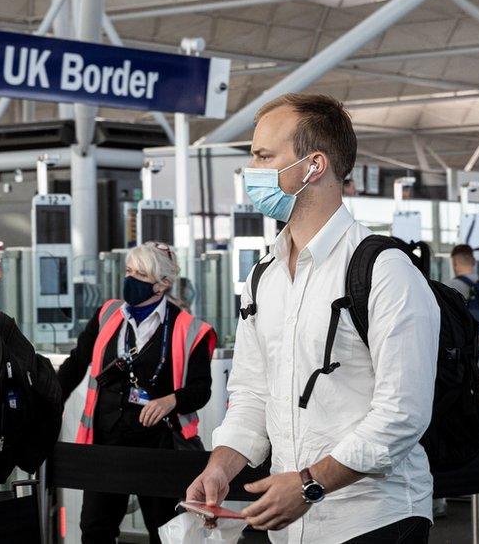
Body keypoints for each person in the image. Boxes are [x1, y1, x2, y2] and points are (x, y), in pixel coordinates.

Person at [186, 93, 439, 543]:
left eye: (264, 157)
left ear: (314, 165)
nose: (251, 172)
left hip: (374, 521)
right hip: (288, 525)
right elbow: (251, 394)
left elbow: (402, 413)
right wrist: (221, 467)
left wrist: (309, 484)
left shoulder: (383, 271)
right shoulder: (263, 276)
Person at [57, 241, 216, 544]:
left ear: (163, 284)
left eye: (141, 274)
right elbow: (77, 362)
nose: (130, 280)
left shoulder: (188, 328)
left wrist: (172, 400)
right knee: (95, 528)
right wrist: (53, 400)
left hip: (158, 447)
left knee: (166, 531)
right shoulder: (108, 314)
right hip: (105, 444)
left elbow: (201, 390)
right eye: (129, 271)